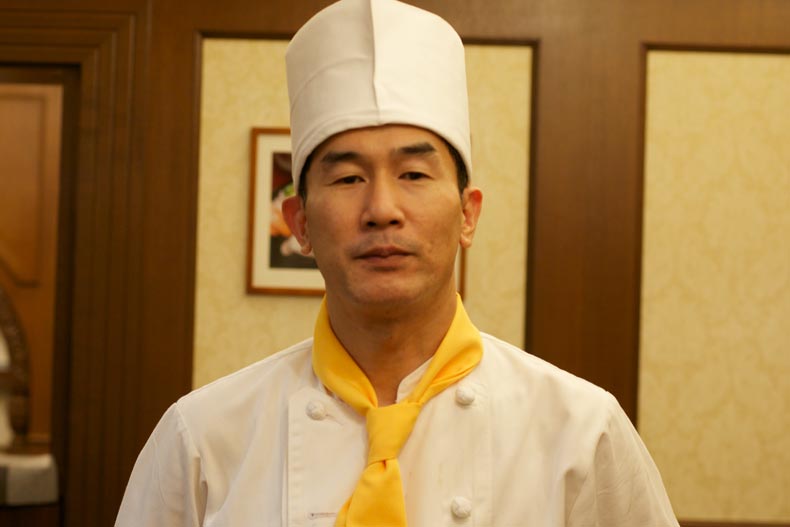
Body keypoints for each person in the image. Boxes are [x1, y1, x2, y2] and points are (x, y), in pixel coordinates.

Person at [116, 0, 680, 525]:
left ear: (467, 214)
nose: (382, 209)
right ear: (300, 223)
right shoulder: (202, 440)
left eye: (413, 174)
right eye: (347, 177)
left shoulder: (581, 433)